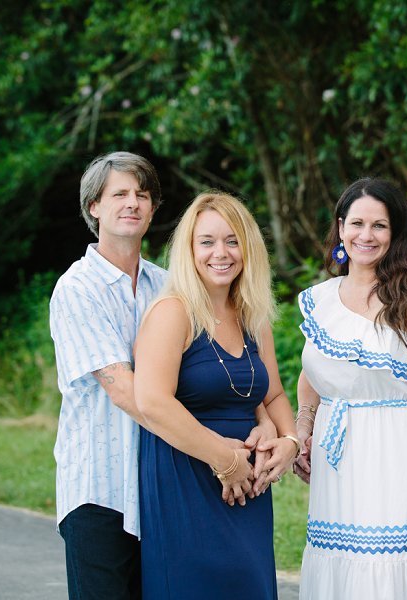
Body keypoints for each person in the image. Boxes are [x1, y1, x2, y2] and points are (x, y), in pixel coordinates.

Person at [294, 178, 407, 600]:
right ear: (341, 228)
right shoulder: (320, 299)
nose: (366, 235)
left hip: (397, 444)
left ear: (394, 234)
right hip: (335, 453)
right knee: (337, 556)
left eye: (379, 225)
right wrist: (305, 424)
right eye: (357, 223)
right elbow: (313, 373)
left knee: (389, 560)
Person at [133, 191, 299, 599]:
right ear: (189, 250)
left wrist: (289, 442)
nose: (220, 253)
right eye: (206, 241)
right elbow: (152, 402)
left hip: (249, 488)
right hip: (186, 481)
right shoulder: (172, 312)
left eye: (232, 240)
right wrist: (225, 460)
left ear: (248, 247)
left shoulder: (252, 314)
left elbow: (274, 394)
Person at [50, 151, 166, 599]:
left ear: (153, 208)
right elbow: (124, 391)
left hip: (158, 485)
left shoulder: (168, 285)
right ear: (94, 206)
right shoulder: (76, 289)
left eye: (142, 194)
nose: (132, 203)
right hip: (99, 489)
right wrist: (216, 451)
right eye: (119, 193)